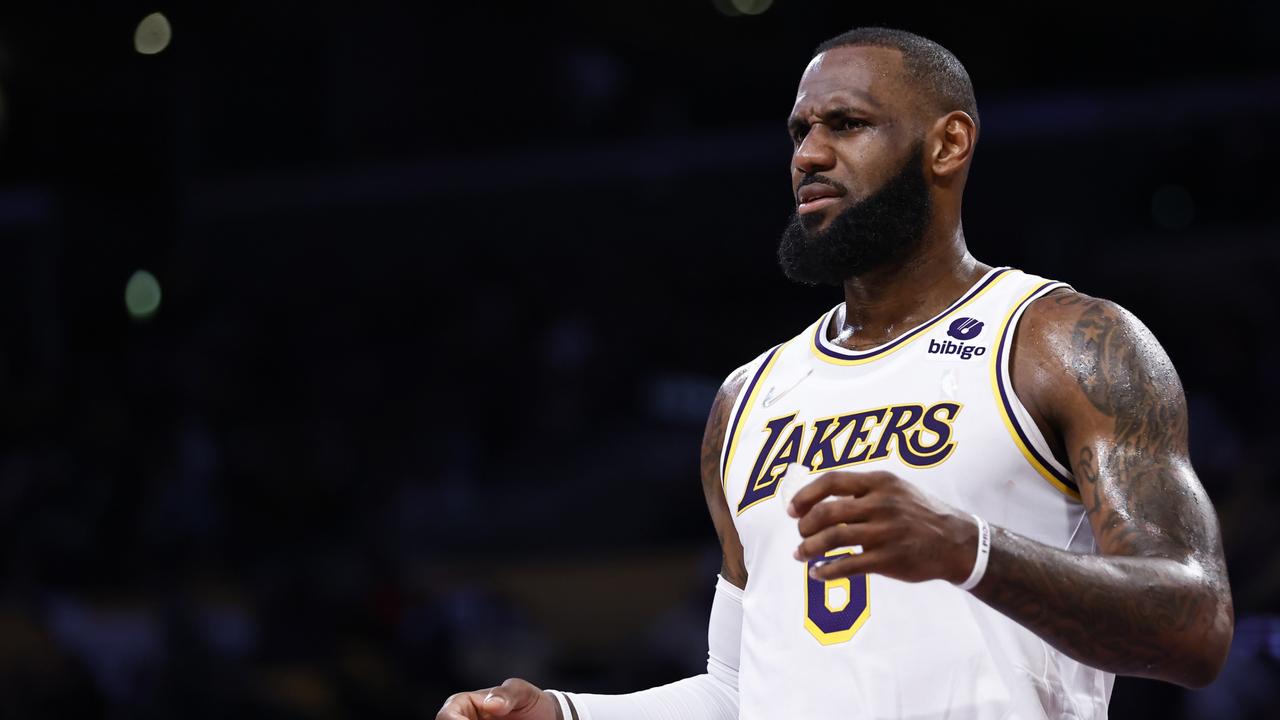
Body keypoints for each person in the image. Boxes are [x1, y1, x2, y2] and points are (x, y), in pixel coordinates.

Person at [436, 26, 1234, 720]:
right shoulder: (747, 399)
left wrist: (970, 550)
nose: (809, 155)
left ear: (947, 143)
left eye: (847, 124)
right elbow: (742, 689)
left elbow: (1194, 626)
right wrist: (569, 714)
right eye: (799, 131)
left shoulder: (1062, 341)